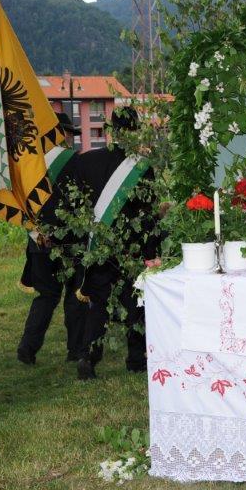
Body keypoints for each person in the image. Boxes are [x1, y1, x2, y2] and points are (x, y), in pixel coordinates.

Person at [63, 107, 159, 380]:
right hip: (131, 248)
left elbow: (75, 205)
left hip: (99, 247)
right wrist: (151, 252)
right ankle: (136, 359)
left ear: (111, 131)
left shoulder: (86, 161)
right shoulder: (142, 168)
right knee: (135, 304)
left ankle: (88, 356)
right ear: (135, 131)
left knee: (98, 305)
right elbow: (148, 215)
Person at [16, 112, 86, 365]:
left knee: (45, 297)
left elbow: (20, 205)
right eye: (69, 134)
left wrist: (36, 233)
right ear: (62, 134)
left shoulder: (28, 164)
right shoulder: (75, 161)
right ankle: (76, 350)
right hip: (70, 243)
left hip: (39, 241)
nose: (70, 139)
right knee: (74, 296)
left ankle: (27, 349)